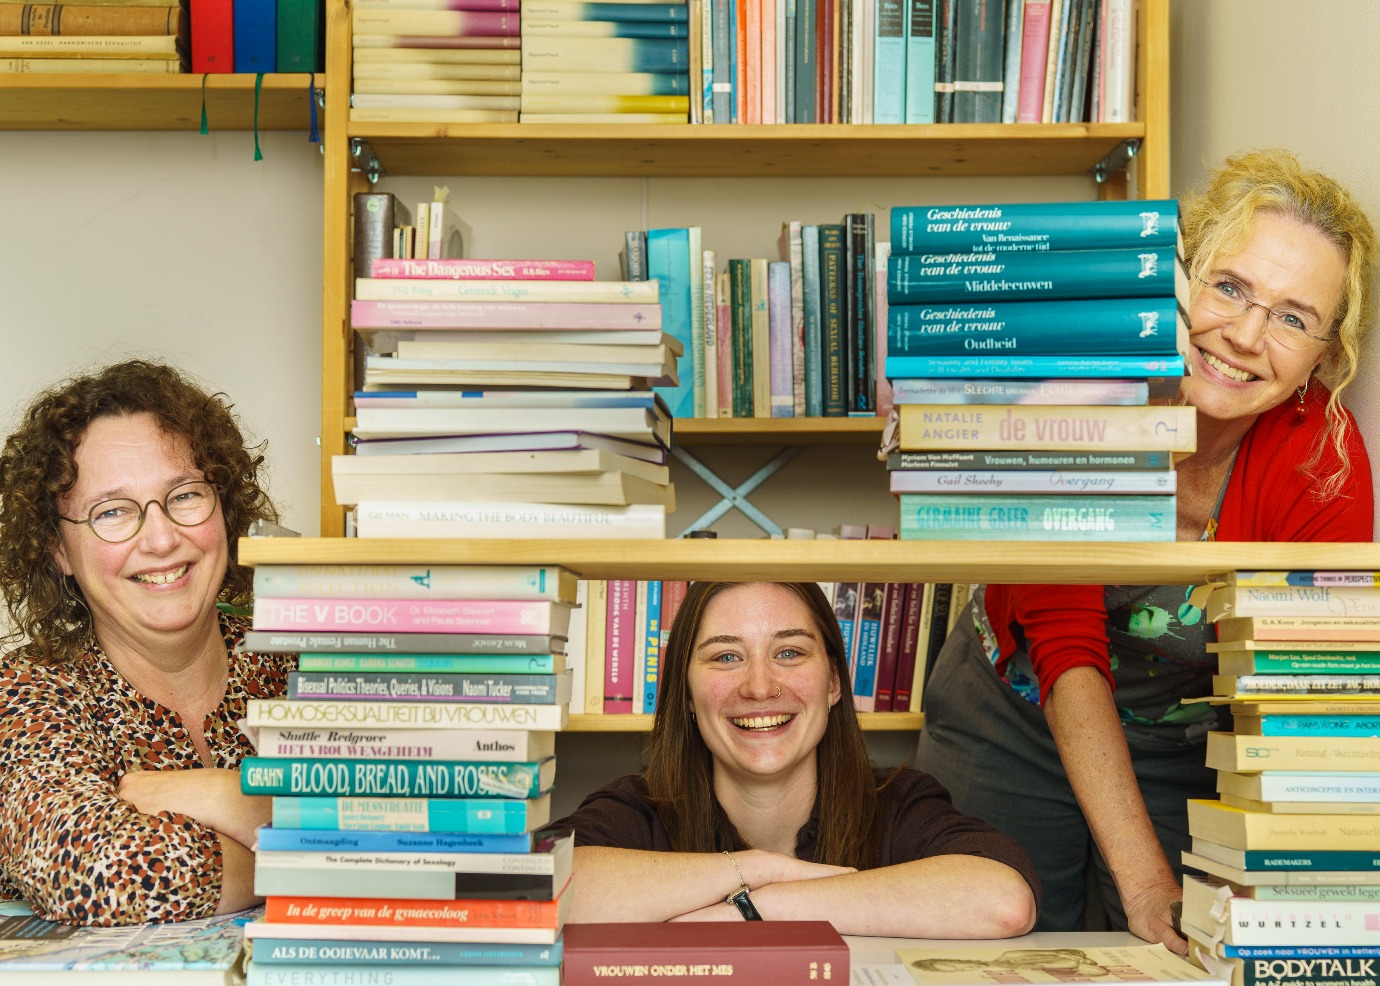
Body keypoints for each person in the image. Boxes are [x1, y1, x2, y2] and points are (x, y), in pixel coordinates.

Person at [917, 148, 1376, 951]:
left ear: (1326, 355)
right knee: (996, 944)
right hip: (1010, 715)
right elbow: (1066, 649)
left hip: (1181, 747)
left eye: (1293, 318)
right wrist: (1140, 879)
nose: (1245, 335)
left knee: (1177, 948)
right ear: (1176, 279)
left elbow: (1303, 689)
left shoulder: (1327, 465)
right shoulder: (1082, 392)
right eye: (1229, 288)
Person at [553, 580, 1040, 937]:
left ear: (833, 683)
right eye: (726, 657)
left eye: (789, 652)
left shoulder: (897, 802)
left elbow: (1005, 901)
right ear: (685, 693)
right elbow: (537, 887)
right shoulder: (638, 808)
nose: (759, 687)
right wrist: (761, 869)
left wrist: (755, 909)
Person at [0, 360, 293, 926]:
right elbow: (93, 870)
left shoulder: (302, 661)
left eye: (184, 496)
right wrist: (314, 852)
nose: (161, 539)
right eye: (112, 511)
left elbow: (433, 836)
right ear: (57, 548)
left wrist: (231, 797)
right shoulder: (30, 692)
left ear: (224, 508)